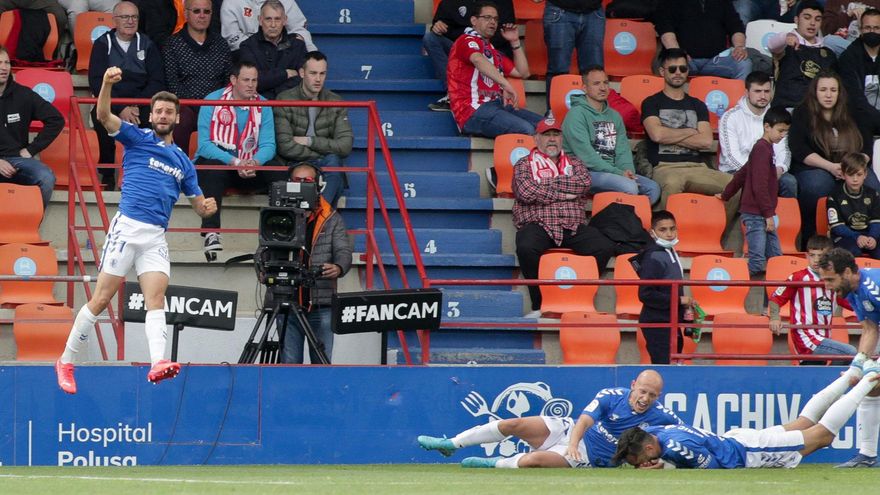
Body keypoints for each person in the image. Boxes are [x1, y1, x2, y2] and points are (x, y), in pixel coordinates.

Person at [54, 66, 217, 395]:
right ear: (151, 115)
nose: (162, 115)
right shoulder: (136, 137)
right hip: (127, 228)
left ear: (177, 118)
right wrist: (105, 83)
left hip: (155, 235)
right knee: (100, 300)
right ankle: (65, 361)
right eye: (158, 110)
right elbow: (102, 115)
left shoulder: (184, 162)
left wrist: (206, 208)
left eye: (168, 111)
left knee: (156, 299)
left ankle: (158, 362)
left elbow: (198, 203)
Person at [613, 365, 880, 469]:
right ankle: (849, 378)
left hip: (747, 450)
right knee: (802, 424)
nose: (640, 466)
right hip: (736, 440)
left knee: (821, 436)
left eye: (639, 461)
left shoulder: (672, 446)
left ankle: (867, 380)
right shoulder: (663, 432)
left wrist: (666, 470)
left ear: (649, 447)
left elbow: (713, 470)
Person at [417, 369, 682, 468]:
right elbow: (585, 420)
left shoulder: (662, 416)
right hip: (570, 433)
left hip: (589, 457)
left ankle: (493, 463)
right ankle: (451, 444)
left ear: (659, 396)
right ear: (633, 385)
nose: (645, 398)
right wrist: (573, 443)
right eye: (642, 391)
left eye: (652, 395)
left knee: (532, 460)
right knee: (514, 424)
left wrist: (662, 464)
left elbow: (685, 437)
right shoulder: (611, 395)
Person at [513, 117, 616, 318]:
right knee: (526, 246)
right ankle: (541, 304)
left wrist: (545, 186)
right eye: (546, 135)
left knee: (603, 246)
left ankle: (576, 297)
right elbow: (525, 192)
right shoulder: (524, 163)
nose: (551, 139)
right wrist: (564, 193)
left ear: (562, 139)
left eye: (555, 135)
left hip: (572, 224)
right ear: (536, 139)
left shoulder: (575, 163)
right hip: (538, 222)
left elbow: (583, 184)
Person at [195, 60, 284, 258]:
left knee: (278, 171)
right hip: (223, 168)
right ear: (234, 80)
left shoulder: (264, 105)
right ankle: (211, 233)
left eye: (254, 80)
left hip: (250, 169)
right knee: (211, 166)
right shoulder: (212, 100)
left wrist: (254, 162)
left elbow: (269, 145)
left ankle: (280, 233)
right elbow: (204, 145)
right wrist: (235, 162)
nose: (251, 85)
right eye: (246, 80)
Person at [788, 71, 879, 249]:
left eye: (833, 90)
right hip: (816, 167)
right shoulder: (802, 112)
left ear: (840, 92)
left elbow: (866, 145)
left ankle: (869, 238)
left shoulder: (853, 111)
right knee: (818, 185)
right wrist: (830, 167)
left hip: (851, 166)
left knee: (873, 186)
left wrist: (851, 167)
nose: (828, 95)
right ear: (815, 92)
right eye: (823, 90)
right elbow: (799, 148)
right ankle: (813, 237)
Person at [641, 48, 735, 216]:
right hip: (665, 168)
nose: (678, 73)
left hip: (697, 167)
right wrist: (691, 131)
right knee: (673, 183)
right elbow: (657, 135)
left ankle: (717, 234)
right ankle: (667, 237)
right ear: (662, 71)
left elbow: (706, 141)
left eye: (683, 69)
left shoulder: (697, 105)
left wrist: (670, 135)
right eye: (672, 69)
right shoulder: (651, 103)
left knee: (735, 185)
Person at [277, 162, 352, 364]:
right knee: (289, 366)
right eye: (296, 181)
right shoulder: (276, 214)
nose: (301, 186)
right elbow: (262, 250)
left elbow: (344, 251)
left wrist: (338, 267)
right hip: (285, 302)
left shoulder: (332, 218)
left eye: (307, 181)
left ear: (318, 185)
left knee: (321, 364)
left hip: (322, 303)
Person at [88, 0, 165, 190]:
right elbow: (97, 82)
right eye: (125, 17)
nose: (130, 21)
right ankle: (107, 174)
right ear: (114, 20)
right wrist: (120, 108)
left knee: (155, 120)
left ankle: (144, 176)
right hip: (112, 103)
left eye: (134, 17)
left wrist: (135, 106)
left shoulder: (147, 44)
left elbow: (157, 81)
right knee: (100, 119)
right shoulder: (102, 44)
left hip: (141, 104)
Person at [818, 247, 880, 467]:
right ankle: (868, 455)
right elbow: (870, 328)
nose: (826, 286)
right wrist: (859, 364)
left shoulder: (874, 285)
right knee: (872, 387)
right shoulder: (853, 292)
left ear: (846, 272)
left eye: (830, 279)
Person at [562, 66, 660, 205]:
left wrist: (628, 172)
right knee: (629, 187)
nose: (602, 88)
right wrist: (620, 174)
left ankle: (631, 218)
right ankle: (626, 222)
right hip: (584, 173)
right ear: (584, 88)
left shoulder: (614, 116)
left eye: (605, 83)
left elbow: (622, 151)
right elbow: (587, 157)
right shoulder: (576, 115)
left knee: (653, 189)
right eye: (596, 84)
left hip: (613, 173)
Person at [447, 1, 541, 138]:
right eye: (487, 18)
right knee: (526, 129)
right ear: (474, 20)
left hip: (496, 106)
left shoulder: (493, 51)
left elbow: (523, 73)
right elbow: (477, 60)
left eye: (495, 19)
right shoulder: (466, 40)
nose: (492, 22)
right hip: (471, 110)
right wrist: (505, 83)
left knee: (545, 127)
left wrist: (515, 42)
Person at [717, 106, 791, 276]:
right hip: (757, 214)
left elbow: (742, 173)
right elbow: (759, 185)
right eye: (780, 130)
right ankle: (737, 288)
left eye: (785, 132)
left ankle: (773, 299)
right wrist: (768, 214)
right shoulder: (761, 149)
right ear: (767, 127)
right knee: (757, 260)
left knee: (776, 259)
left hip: (763, 213)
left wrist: (726, 194)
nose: (782, 135)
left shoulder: (764, 148)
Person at [274, 51, 353, 208]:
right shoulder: (284, 99)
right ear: (302, 73)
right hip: (294, 160)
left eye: (322, 74)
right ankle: (320, 219)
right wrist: (318, 155)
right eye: (313, 73)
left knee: (334, 163)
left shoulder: (335, 101)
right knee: (331, 162)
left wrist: (309, 141)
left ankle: (317, 217)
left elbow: (345, 146)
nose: (318, 79)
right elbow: (285, 146)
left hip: (324, 161)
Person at [769, 234, 856, 366]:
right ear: (806, 256)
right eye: (812, 255)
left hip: (825, 336)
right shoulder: (798, 277)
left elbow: (847, 302)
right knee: (850, 352)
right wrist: (774, 318)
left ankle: (829, 383)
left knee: (818, 374)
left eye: (820, 256)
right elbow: (776, 297)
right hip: (805, 336)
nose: (816, 260)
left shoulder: (834, 278)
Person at [163, 0, 231, 153]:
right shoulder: (172, 44)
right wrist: (199, 106)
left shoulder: (221, 44)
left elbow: (228, 82)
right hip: (187, 106)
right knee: (181, 117)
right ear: (186, 14)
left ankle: (223, 170)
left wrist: (214, 105)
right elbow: (172, 84)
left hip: (217, 106)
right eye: (196, 11)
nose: (202, 16)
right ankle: (181, 168)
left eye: (206, 12)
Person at [422, 0, 515, 112]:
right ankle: (452, 93)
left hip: (490, 49)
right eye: (487, 17)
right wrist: (438, 27)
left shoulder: (503, 3)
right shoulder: (449, 3)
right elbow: (441, 25)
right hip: (462, 48)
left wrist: (477, 42)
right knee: (431, 38)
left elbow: (504, 32)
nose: (492, 21)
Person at [0, 47, 62, 210]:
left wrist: (31, 150)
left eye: (7, 62)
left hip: (17, 159)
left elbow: (56, 119)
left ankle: (29, 226)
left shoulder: (23, 94)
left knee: (46, 177)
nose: (4, 67)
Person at [719, 71, 796, 198]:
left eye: (766, 91)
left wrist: (780, 168)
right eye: (757, 91)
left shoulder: (777, 116)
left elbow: (784, 151)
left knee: (789, 182)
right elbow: (731, 156)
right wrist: (760, 171)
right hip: (736, 170)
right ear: (747, 92)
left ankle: (784, 217)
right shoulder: (730, 117)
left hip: (770, 170)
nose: (763, 96)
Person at [630, 210, 692, 364]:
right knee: (664, 366)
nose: (669, 234)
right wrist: (679, 300)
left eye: (672, 228)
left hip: (671, 320)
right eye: (663, 230)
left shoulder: (670, 252)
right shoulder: (653, 257)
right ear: (653, 233)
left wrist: (685, 306)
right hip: (657, 322)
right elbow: (646, 294)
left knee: (675, 364)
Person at [655, 0, 751, 80]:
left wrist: (739, 47)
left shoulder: (722, 2)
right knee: (671, 64)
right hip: (685, 60)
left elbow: (736, 27)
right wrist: (678, 53)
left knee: (743, 63)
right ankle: (671, 102)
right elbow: (665, 30)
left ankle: (739, 101)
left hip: (716, 60)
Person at [768, 1, 838, 109]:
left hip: (818, 111)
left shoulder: (828, 54)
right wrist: (786, 37)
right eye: (807, 17)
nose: (812, 23)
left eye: (817, 19)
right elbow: (772, 46)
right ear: (796, 20)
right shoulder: (786, 45)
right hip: (787, 109)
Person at [237, 0, 307, 100]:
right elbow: (252, 82)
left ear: (285, 20)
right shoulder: (248, 46)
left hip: (289, 105)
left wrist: (274, 90)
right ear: (260, 20)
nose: (273, 25)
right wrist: (285, 74)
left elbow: (303, 80)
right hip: (259, 106)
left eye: (277, 19)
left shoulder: (298, 46)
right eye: (268, 19)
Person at [541, 0, 605, 104]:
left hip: (594, 10)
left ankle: (596, 116)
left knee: (595, 72)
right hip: (559, 9)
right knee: (558, 70)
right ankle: (554, 116)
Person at [839, 9, 880, 146]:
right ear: (861, 30)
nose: (872, 31)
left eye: (876, 28)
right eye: (868, 28)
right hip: (859, 117)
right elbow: (855, 98)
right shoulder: (849, 57)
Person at [828, 152, 880, 259]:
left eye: (859, 174)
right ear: (843, 175)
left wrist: (873, 237)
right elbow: (837, 227)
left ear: (865, 174)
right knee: (852, 251)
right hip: (845, 237)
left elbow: (876, 220)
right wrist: (857, 236)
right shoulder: (834, 196)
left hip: (869, 235)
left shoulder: (873, 194)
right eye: (851, 175)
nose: (855, 179)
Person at [221, 0, 316, 53]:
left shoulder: (286, 1)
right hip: (247, 57)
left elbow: (299, 30)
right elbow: (232, 38)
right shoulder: (231, 2)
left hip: (280, 53)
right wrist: (262, 49)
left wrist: (312, 54)